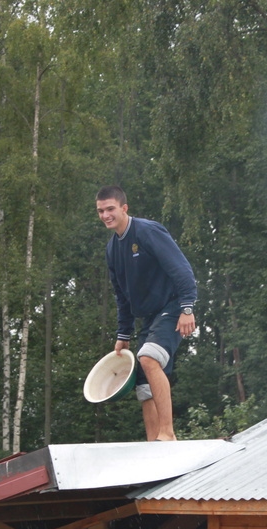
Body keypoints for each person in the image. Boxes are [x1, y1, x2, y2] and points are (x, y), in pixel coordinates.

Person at [97, 185, 197, 441]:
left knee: (149, 358)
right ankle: (155, 444)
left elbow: (182, 269)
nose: (106, 215)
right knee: (143, 382)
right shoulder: (112, 250)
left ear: (124, 208)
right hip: (148, 317)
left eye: (110, 209)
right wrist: (123, 333)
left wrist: (187, 308)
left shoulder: (147, 231)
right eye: (100, 211)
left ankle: (168, 434)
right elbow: (122, 295)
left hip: (173, 306)